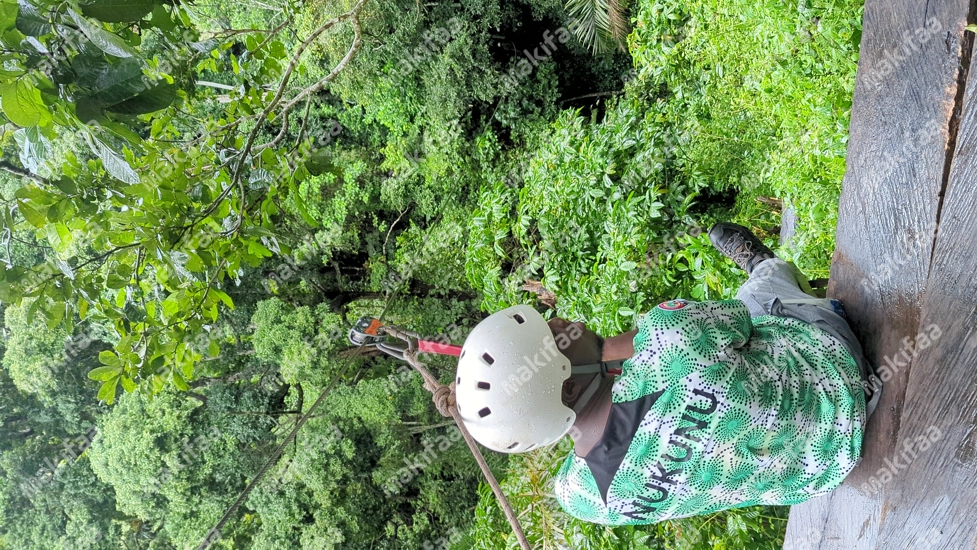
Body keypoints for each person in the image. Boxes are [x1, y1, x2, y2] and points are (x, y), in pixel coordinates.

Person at [454, 222, 881, 525]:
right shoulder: (668, 333)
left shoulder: (580, 497)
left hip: (822, 470)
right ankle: (765, 265)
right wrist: (613, 348)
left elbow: (612, 431)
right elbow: (739, 327)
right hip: (839, 371)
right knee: (757, 296)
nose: (570, 323)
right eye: (558, 334)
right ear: (568, 385)